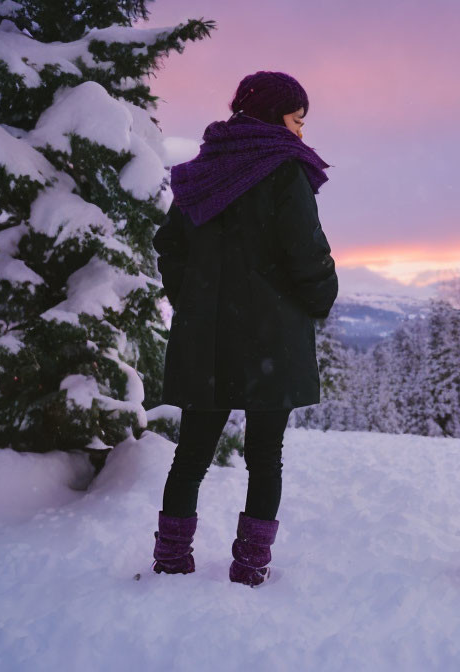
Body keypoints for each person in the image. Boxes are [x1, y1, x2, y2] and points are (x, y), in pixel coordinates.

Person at [150, 71, 338, 587]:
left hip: (207, 340)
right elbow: (308, 254)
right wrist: (319, 299)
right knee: (264, 458)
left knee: (190, 456)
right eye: (296, 120)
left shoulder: (204, 169)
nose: (300, 133)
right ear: (275, 114)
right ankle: (250, 566)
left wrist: (191, 302)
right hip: (269, 344)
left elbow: (170, 246)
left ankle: (170, 560)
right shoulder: (283, 170)